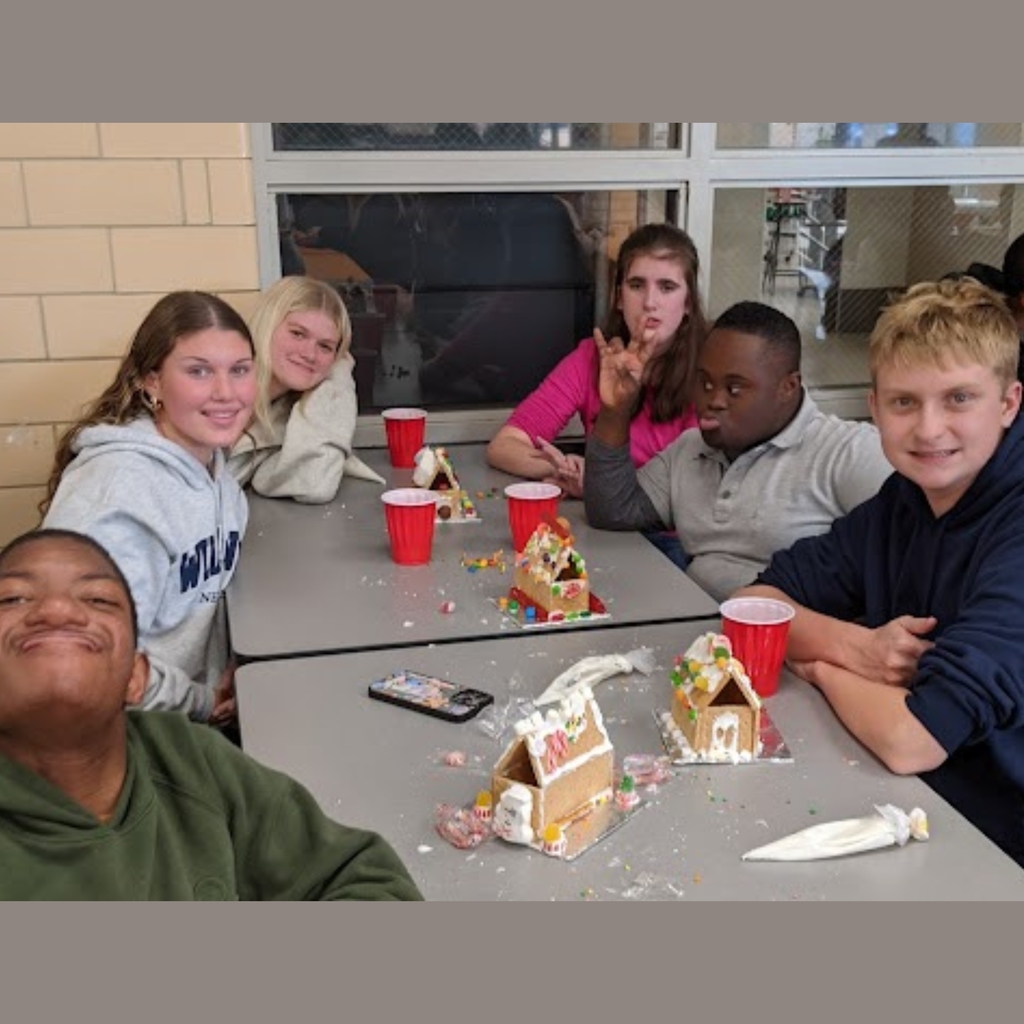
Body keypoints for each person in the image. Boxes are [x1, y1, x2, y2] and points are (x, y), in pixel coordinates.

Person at [735, 278, 1024, 867]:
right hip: (904, 800)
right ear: (874, 408)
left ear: (1009, 403)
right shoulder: (904, 501)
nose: (929, 429)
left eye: (959, 399)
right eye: (904, 402)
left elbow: (912, 740)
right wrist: (857, 647)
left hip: (994, 841)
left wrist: (820, 666)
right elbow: (751, 609)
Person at [0, 529, 423, 900]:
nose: (57, 611)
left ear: (136, 675)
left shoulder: (188, 760)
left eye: (97, 598)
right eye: (12, 598)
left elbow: (368, 880)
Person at [40, 292, 256, 727]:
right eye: (198, 371)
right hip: (115, 738)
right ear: (151, 381)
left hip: (183, 715)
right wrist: (202, 701)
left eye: (240, 370)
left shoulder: (214, 466)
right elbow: (93, 664)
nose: (226, 393)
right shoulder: (122, 492)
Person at [584, 301, 893, 601]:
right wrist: (615, 410)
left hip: (793, 642)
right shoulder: (690, 449)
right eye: (704, 384)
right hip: (701, 635)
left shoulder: (847, 452)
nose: (713, 400)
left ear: (788, 387)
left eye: (735, 389)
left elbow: (912, 553)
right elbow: (614, 510)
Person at [486, 222, 706, 499]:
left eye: (667, 287)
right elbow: (505, 444)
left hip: (676, 538)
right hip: (607, 528)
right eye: (636, 285)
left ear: (688, 302)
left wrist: (600, 482)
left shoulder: (710, 368)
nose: (650, 302)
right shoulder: (593, 356)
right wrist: (561, 470)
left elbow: (697, 491)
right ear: (619, 298)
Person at [229, 276, 385, 502]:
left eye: (325, 346)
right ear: (267, 325)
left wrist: (338, 374)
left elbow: (314, 484)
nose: (310, 354)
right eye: (298, 334)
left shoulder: (286, 420)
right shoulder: (211, 387)